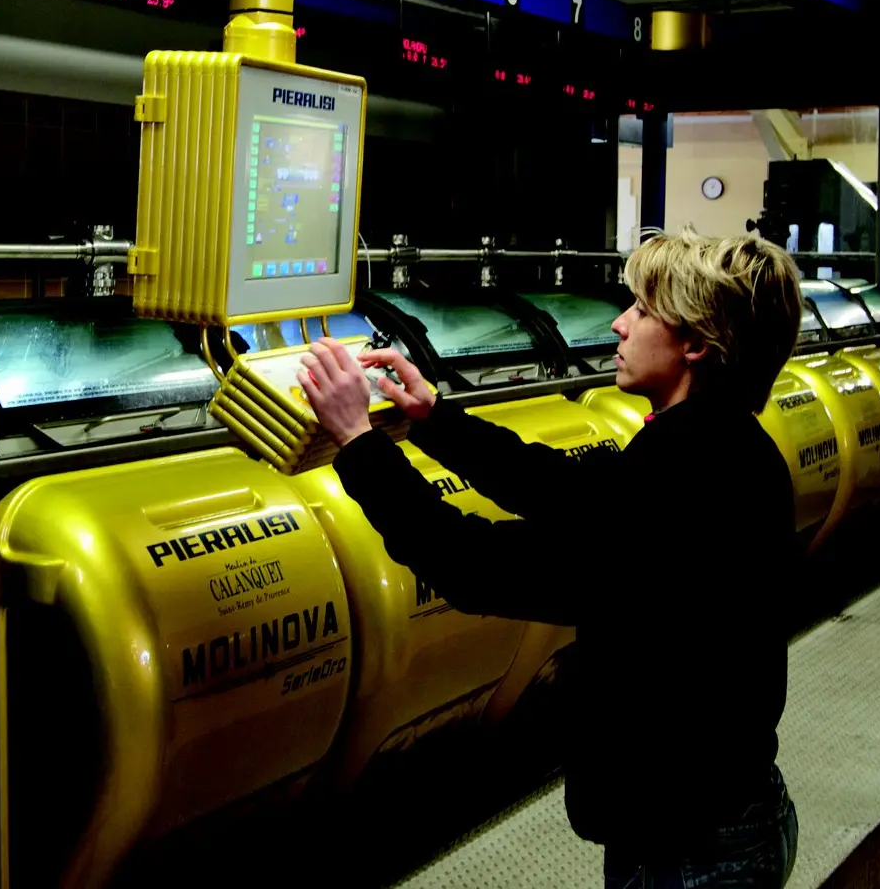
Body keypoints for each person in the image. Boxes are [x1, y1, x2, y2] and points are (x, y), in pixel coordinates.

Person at [298, 230, 806, 889]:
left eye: (644, 310)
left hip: (691, 855)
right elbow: (567, 491)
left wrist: (358, 442)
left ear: (696, 344)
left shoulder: (685, 479)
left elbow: (475, 566)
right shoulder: (721, 446)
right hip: (727, 815)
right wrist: (433, 419)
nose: (619, 324)